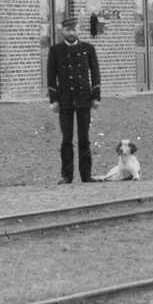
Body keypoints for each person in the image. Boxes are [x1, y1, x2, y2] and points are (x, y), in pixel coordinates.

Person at [47, 16, 101, 184]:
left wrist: (96, 96)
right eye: (68, 30)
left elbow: (95, 73)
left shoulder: (88, 49)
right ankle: (66, 175)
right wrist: (53, 100)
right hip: (65, 99)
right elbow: (51, 76)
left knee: (84, 138)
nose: (71, 33)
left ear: (79, 30)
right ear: (63, 31)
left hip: (84, 98)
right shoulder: (55, 50)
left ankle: (86, 175)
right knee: (67, 139)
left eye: (74, 29)